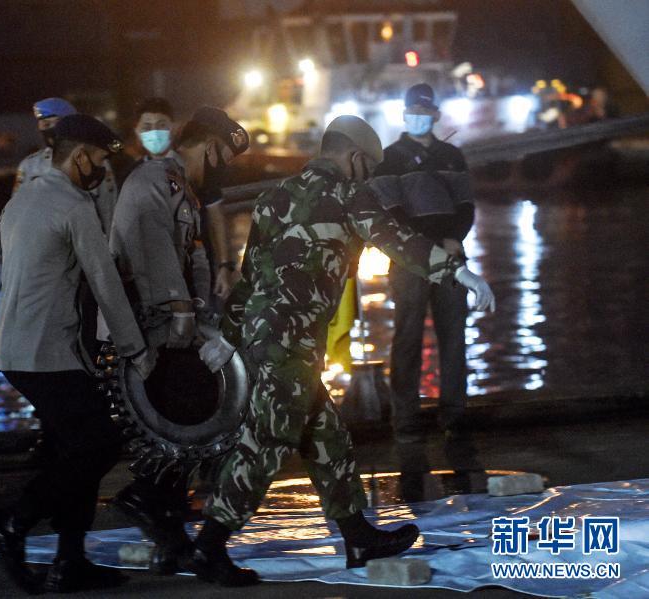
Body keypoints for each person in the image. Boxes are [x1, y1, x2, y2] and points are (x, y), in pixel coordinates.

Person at [188, 115, 495, 586]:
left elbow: (251, 275)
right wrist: (458, 272)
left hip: (267, 335)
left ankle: (357, 537)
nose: (368, 177)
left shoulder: (275, 197)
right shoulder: (350, 195)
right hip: (290, 342)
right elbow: (399, 241)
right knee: (267, 442)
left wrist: (229, 336)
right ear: (354, 158)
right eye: (367, 167)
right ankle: (209, 547)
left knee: (327, 437)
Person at [0, 114, 156, 594]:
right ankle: (13, 522)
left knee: (73, 449)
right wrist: (135, 348)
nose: (100, 170)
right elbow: (104, 282)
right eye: (98, 159)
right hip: (48, 351)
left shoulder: (20, 201)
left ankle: (70, 561)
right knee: (100, 443)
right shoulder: (74, 206)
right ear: (80, 157)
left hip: (14, 347)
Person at [108, 106, 249, 575]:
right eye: (221, 155)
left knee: (180, 420)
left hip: (169, 321)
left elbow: (188, 252)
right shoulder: (156, 182)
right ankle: (146, 500)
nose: (221, 167)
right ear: (208, 146)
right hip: (157, 325)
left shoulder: (177, 184)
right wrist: (183, 314)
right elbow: (153, 255)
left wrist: (202, 304)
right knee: (185, 414)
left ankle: (169, 537)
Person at [372, 83, 477, 461]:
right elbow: (393, 212)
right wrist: (433, 244)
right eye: (412, 111)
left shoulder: (452, 156)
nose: (417, 116)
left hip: (449, 256)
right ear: (404, 115)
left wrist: (452, 238)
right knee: (407, 337)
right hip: (409, 262)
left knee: (455, 337)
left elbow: (466, 206)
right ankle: (405, 420)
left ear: (435, 115)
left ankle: (455, 416)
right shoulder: (388, 159)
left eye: (423, 111)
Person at [14, 97, 119, 234]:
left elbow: (109, 208)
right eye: (45, 124)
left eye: (57, 123)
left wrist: (110, 244)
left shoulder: (94, 160)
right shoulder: (30, 166)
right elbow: (17, 212)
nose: (51, 129)